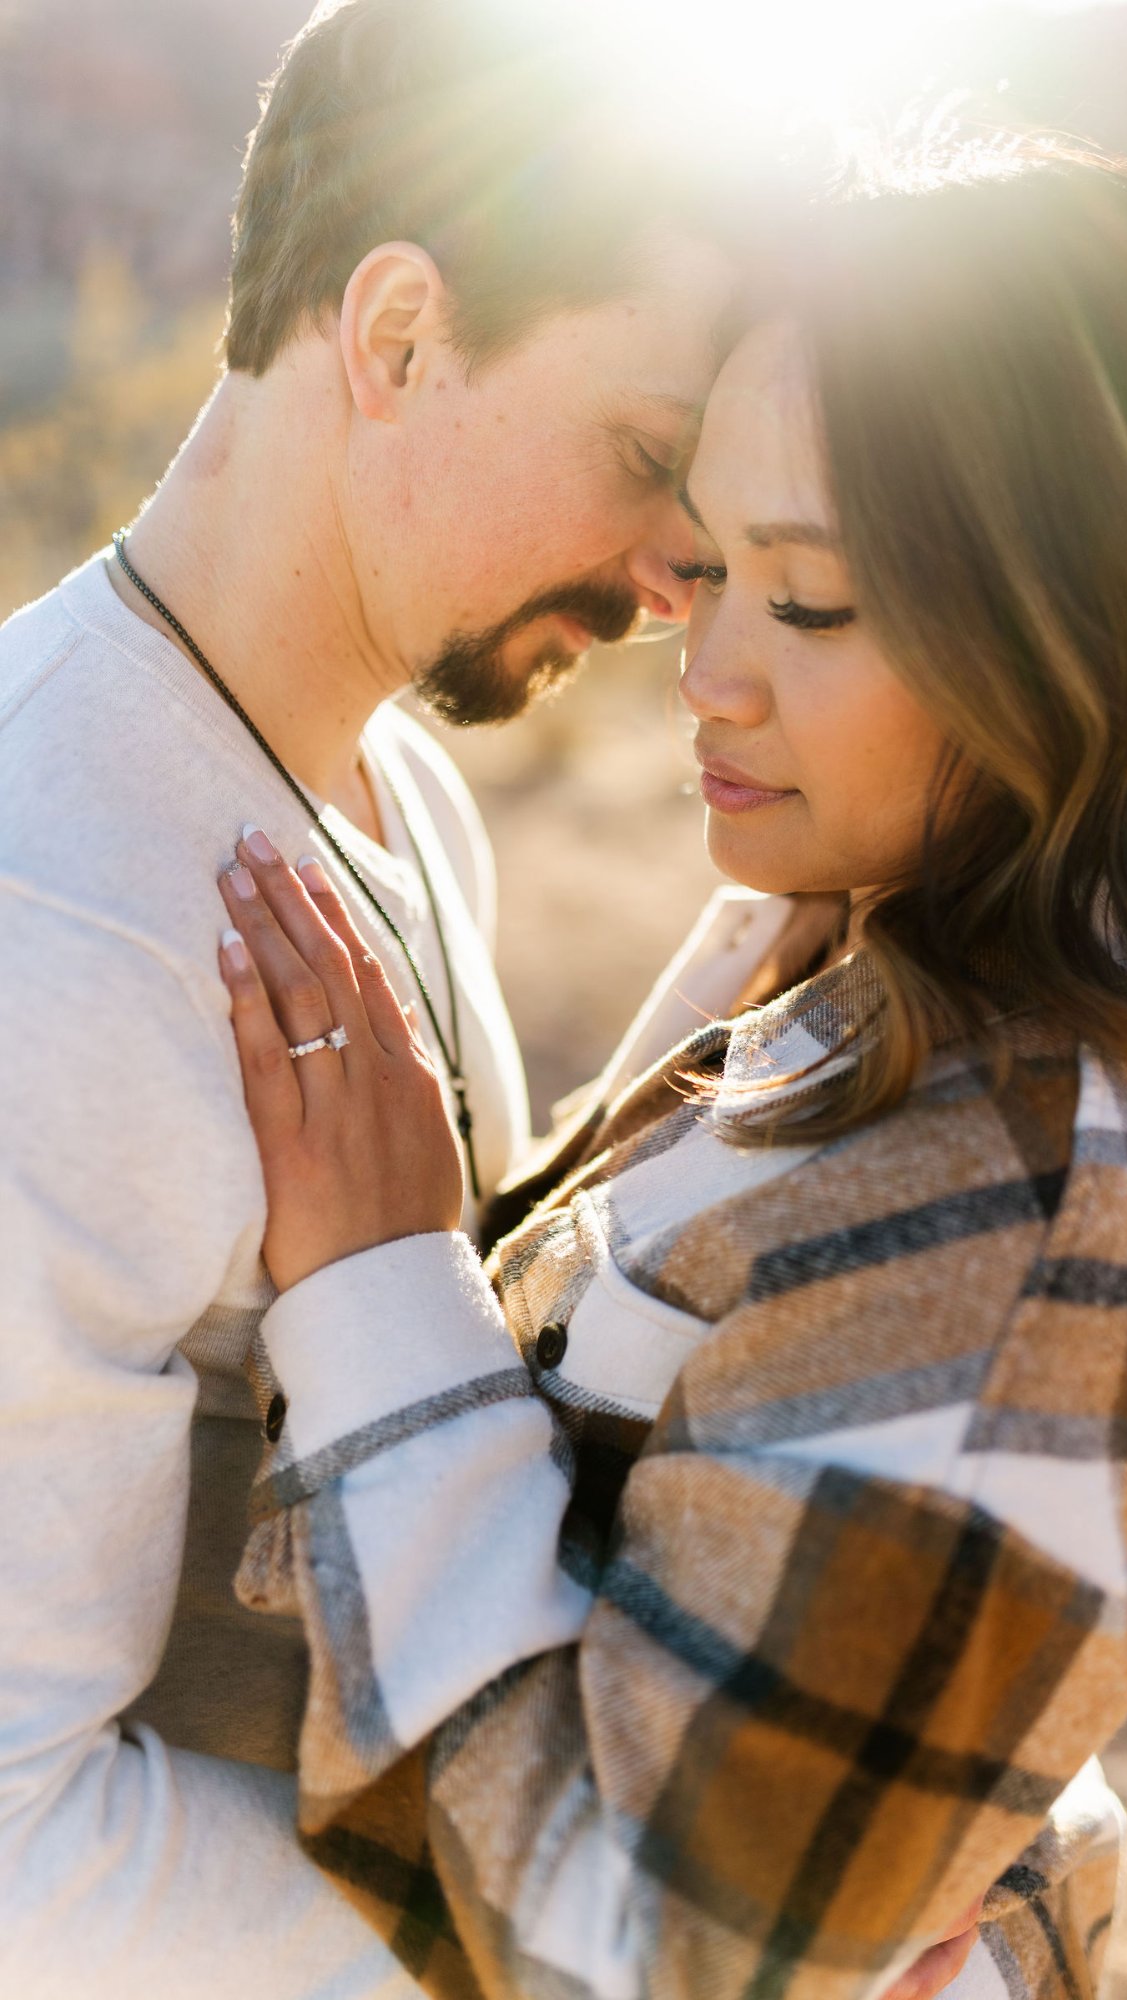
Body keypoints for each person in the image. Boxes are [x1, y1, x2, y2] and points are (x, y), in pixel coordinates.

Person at [211, 145, 1127, 1999]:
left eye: (809, 604)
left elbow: (635, 1957)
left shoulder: (1034, 1211)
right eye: (715, 563)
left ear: (1088, 630)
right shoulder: (855, 968)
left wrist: (374, 1293)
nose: (708, 669)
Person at [0, 0, 772, 1992]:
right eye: (651, 454)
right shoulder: (47, 914)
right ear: (400, 332)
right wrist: (578, 1945)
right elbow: (15, 1856)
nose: (685, 570)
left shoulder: (388, 779)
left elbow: (420, 1340)